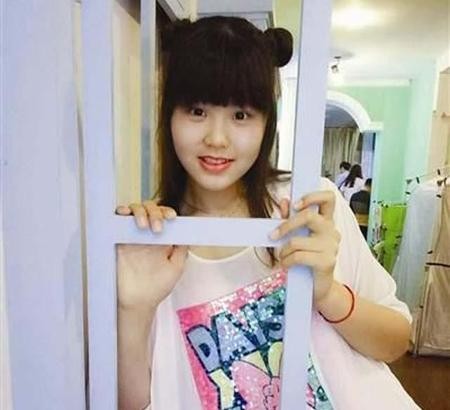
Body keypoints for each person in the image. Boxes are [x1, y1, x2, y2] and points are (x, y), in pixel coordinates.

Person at [115, 17, 418, 410]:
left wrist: (328, 294)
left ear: (266, 123)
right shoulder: (154, 243)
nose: (217, 138)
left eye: (241, 115)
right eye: (196, 110)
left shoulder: (310, 206)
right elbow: (132, 403)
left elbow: (396, 342)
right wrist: (134, 309)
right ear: (168, 114)